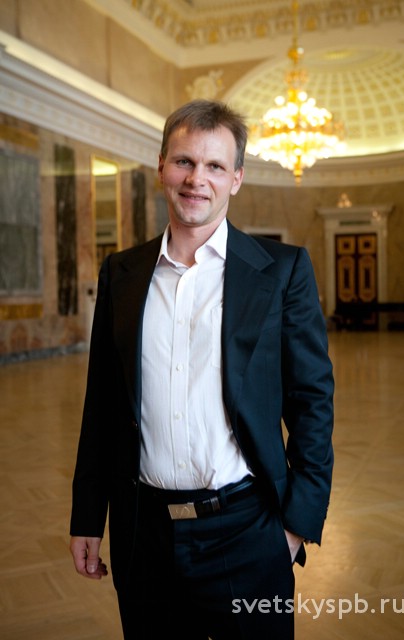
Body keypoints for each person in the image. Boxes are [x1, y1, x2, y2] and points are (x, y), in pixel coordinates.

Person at [70, 99, 334, 640]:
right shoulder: (121, 273)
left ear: (236, 178)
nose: (197, 179)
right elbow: (103, 406)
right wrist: (87, 516)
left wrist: (296, 525)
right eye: (184, 161)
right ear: (161, 166)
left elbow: (312, 401)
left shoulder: (282, 271)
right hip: (144, 535)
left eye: (215, 165)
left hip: (249, 531)